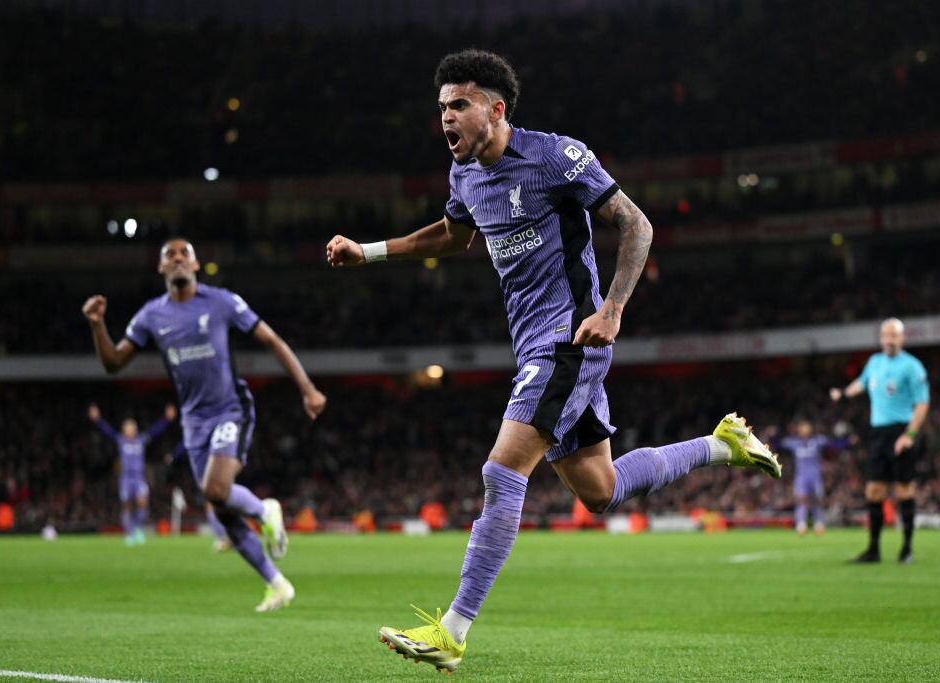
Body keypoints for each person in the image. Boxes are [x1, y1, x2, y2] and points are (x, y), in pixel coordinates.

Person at [325, 48, 782, 673]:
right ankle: (721, 444)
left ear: (495, 108)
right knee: (601, 490)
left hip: (570, 339)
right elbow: (453, 235)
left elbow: (636, 224)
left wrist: (613, 308)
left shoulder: (554, 156)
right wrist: (369, 252)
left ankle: (453, 629)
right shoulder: (464, 175)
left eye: (458, 105)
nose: (446, 119)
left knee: (501, 472)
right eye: (440, 108)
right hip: (534, 344)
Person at [82, 237, 327, 612]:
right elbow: (113, 363)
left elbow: (272, 340)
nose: (178, 259)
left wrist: (308, 388)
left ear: (196, 265)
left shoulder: (222, 302)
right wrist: (98, 326)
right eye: (170, 255)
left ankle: (265, 510)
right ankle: (277, 584)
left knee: (216, 489)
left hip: (231, 408)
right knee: (223, 509)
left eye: (185, 254)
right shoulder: (151, 315)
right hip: (193, 421)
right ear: (162, 268)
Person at [831, 318, 930, 564]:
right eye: (886, 335)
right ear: (881, 338)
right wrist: (843, 394)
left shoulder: (913, 367)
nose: (889, 339)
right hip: (878, 433)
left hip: (901, 432)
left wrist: (909, 435)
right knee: (873, 491)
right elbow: (862, 384)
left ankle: (906, 549)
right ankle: (873, 549)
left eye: (894, 335)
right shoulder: (874, 362)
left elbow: (922, 403)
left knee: (904, 490)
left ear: (902, 338)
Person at [88, 401, 176, 545]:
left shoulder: (141, 440)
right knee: (127, 506)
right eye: (128, 428)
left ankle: (136, 529)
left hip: (138, 478)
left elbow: (155, 431)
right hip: (125, 479)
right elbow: (108, 431)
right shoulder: (120, 440)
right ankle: (129, 533)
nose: (130, 430)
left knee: (143, 504)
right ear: (124, 430)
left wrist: (166, 419)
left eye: (132, 427)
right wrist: (98, 419)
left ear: (135, 429)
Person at [765, 420, 855, 536]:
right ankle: (801, 524)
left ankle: (819, 524)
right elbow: (778, 447)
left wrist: (848, 441)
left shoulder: (817, 441)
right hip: (801, 477)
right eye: (803, 428)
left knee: (816, 501)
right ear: (799, 430)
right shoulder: (794, 442)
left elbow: (834, 445)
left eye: (807, 428)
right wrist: (772, 436)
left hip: (816, 476)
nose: (805, 430)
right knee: (802, 500)